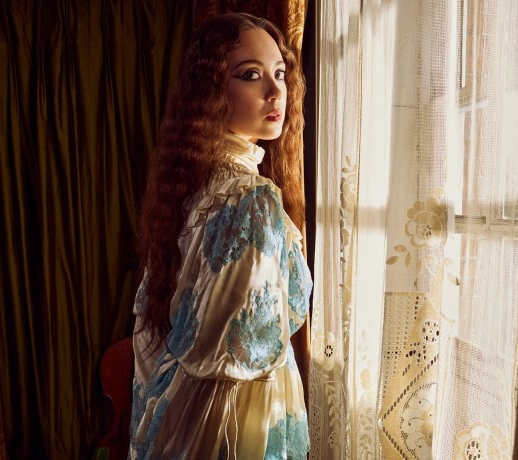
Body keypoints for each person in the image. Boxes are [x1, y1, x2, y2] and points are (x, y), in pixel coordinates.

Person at [128, 12, 311, 459]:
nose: (275, 92)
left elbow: (153, 340)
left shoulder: (193, 186)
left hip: (175, 420)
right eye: (250, 75)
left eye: (280, 73)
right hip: (230, 430)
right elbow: (241, 369)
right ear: (211, 91)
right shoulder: (250, 199)